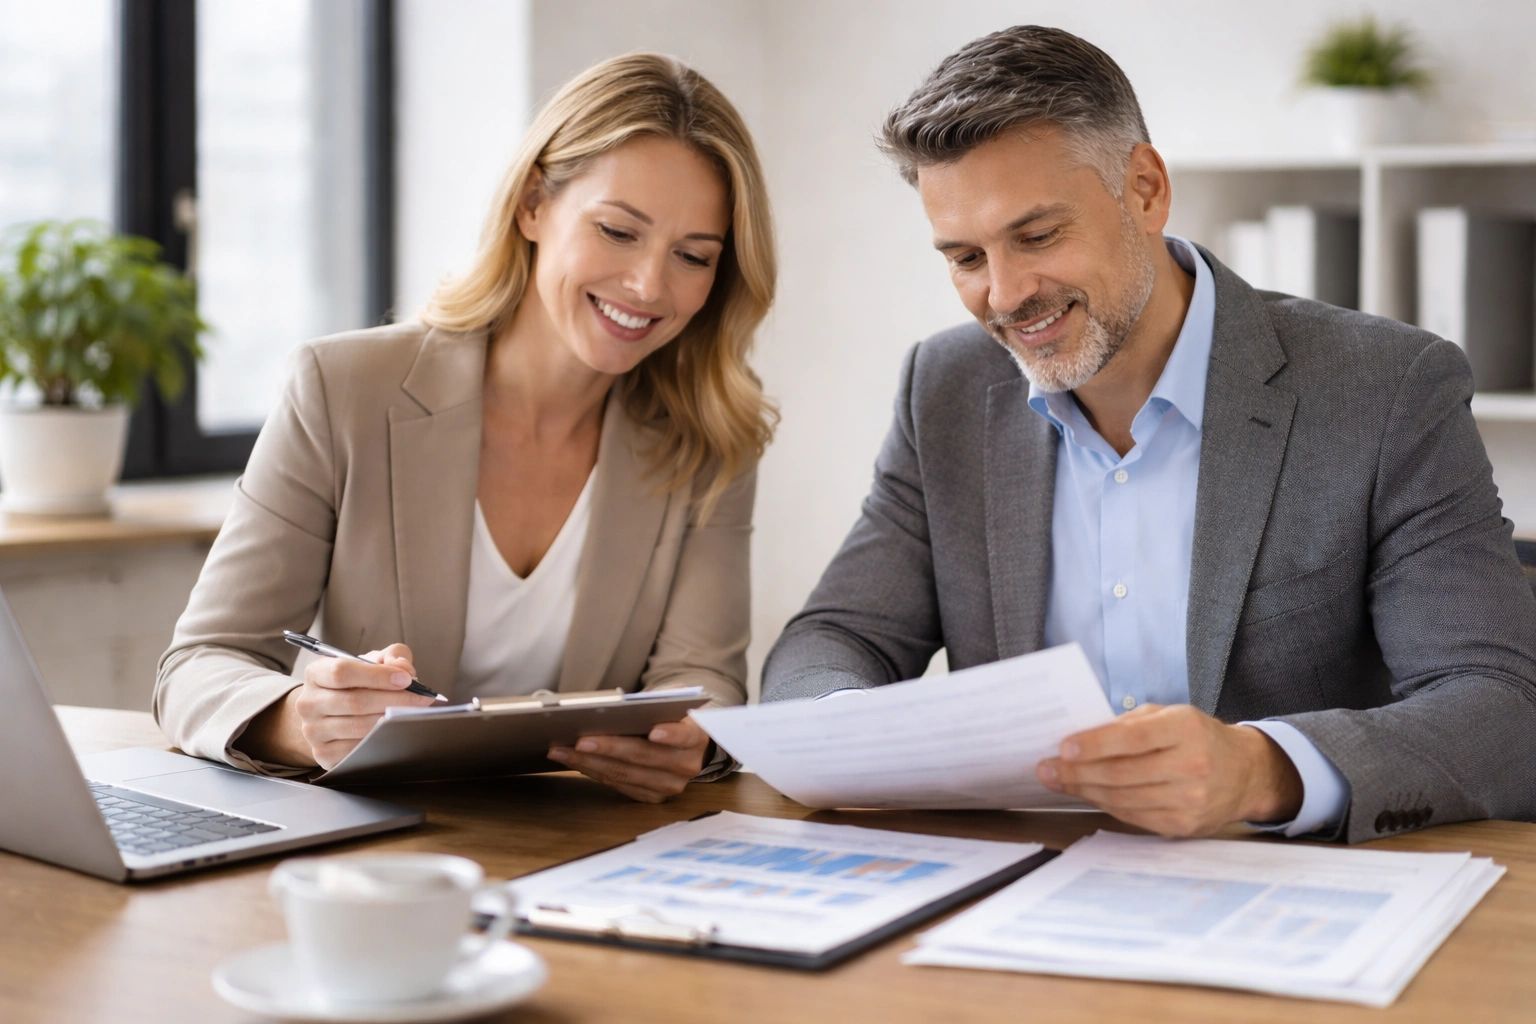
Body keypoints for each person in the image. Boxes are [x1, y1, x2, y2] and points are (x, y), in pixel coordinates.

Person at [761, 25, 1536, 842]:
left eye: (1037, 236)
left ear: (1144, 188)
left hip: (1288, 899)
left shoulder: (1383, 388)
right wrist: (848, 736)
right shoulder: (947, 389)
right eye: (964, 257)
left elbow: (1504, 709)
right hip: (1023, 896)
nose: (1005, 293)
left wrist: (1260, 769)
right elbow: (834, 637)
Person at [156, 53, 777, 803]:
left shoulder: (710, 437)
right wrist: (300, 719)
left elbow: (703, 675)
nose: (649, 286)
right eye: (618, 231)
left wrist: (694, 740)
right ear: (533, 205)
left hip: (582, 849)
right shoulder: (343, 389)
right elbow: (200, 664)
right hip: (374, 855)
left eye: (692, 256)